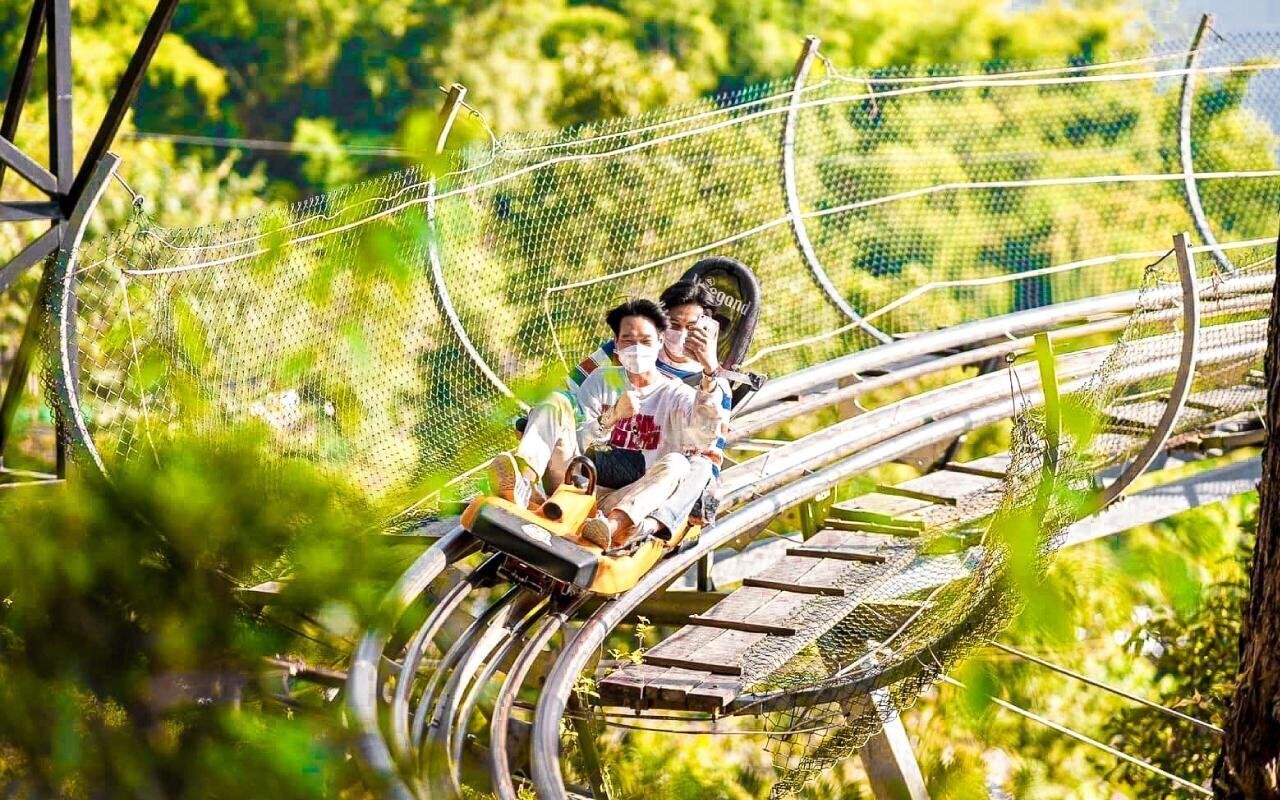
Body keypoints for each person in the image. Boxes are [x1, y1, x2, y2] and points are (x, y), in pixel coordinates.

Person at [487, 299, 720, 548]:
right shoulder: (601, 380)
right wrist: (611, 417)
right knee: (554, 402)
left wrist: (709, 374)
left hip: (620, 500)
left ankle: (612, 528)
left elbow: (704, 436)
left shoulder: (675, 395)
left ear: (660, 342)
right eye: (628, 341)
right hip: (576, 484)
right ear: (617, 346)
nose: (637, 349)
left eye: (646, 341)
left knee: (678, 464)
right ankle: (522, 484)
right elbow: (575, 444)